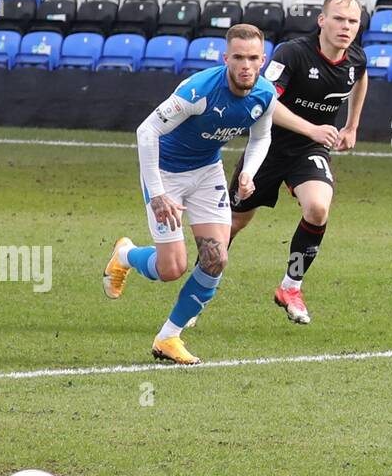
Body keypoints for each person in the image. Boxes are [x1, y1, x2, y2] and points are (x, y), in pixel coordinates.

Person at [103, 24, 276, 365]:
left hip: (208, 172)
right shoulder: (199, 91)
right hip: (165, 175)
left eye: (253, 58)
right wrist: (156, 193)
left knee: (216, 259)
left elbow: (261, 137)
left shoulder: (265, 95)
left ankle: (168, 337)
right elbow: (147, 130)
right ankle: (125, 255)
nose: (246, 65)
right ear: (225, 58)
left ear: (263, 60)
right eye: (238, 57)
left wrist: (247, 173)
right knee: (172, 269)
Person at [229, 0, 369, 325]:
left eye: (352, 21)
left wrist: (351, 126)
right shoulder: (292, 53)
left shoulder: (355, 59)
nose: (345, 26)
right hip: (268, 146)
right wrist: (313, 129)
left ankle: (291, 286)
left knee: (318, 207)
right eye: (338, 18)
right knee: (232, 225)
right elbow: (266, 102)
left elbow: (361, 79)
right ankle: (202, 286)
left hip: (309, 151)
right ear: (322, 20)